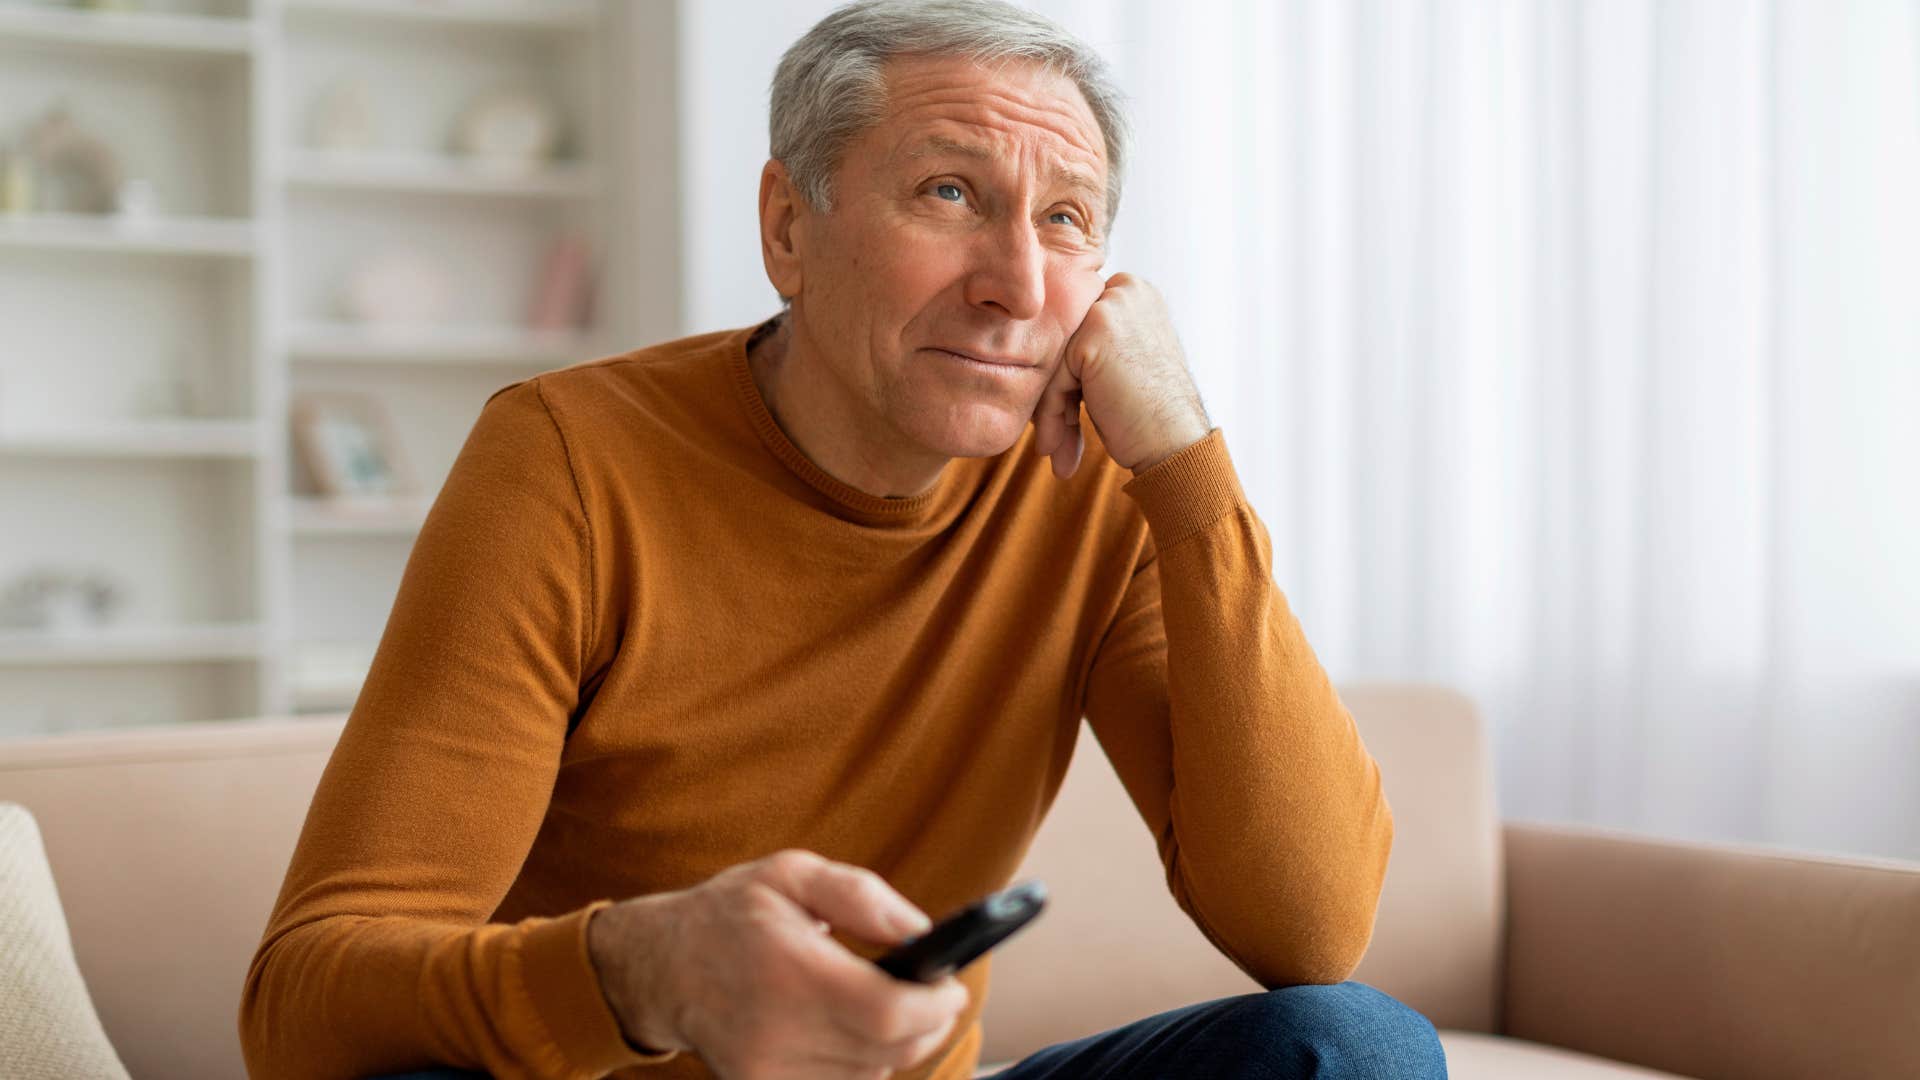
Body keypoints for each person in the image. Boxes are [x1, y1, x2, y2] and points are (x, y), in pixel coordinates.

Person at [238, 2, 1445, 1078]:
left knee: (1356, 1047)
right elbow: (300, 1007)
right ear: (786, 228)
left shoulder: (1098, 489)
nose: (1019, 285)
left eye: (1068, 219)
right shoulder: (567, 459)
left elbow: (1309, 929)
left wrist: (1186, 459)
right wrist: (646, 973)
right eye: (951, 193)